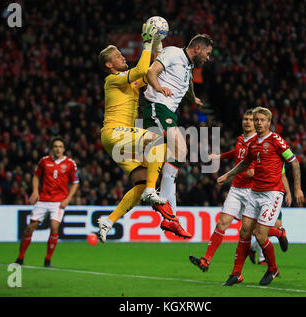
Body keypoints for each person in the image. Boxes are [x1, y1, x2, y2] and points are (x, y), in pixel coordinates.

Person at [97, 22, 191, 242]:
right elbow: (141, 70)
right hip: (114, 132)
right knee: (159, 138)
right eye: (118, 56)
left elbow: (149, 73)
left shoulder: (128, 82)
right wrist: (146, 43)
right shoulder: (112, 80)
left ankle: (109, 220)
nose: (122, 57)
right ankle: (152, 189)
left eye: (121, 54)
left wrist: (158, 45)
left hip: (118, 140)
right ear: (110, 65)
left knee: (139, 183)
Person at [189, 110, 289, 272]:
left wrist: (255, 172)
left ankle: (278, 233)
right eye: (246, 119)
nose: (248, 122)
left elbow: (271, 166)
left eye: (251, 119)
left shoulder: (262, 142)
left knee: (257, 230)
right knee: (222, 223)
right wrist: (220, 157)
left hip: (253, 191)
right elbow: (238, 154)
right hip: (236, 189)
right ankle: (205, 260)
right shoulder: (241, 139)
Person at [217, 106, 304, 286]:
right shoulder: (253, 143)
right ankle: (236, 274)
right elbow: (244, 163)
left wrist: (297, 189)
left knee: (260, 235)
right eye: (256, 120)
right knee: (244, 231)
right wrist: (228, 175)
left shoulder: (276, 140)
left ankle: (273, 269)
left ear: (269, 122)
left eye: (262, 120)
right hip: (255, 193)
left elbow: (294, 162)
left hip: (272, 194)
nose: (258, 123)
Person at [141, 34, 213, 217]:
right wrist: (158, 88)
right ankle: (164, 201)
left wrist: (193, 98)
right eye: (208, 53)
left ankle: (167, 203)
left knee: (175, 154)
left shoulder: (188, 66)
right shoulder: (172, 52)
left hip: (169, 112)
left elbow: (187, 84)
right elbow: (151, 71)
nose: (208, 58)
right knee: (180, 148)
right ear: (198, 48)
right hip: (157, 105)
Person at [15, 136, 79, 267]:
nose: (58, 149)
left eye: (60, 146)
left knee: (54, 227)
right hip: (43, 200)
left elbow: (75, 182)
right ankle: (20, 257)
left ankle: (48, 259)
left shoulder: (70, 164)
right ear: (51, 148)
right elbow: (36, 176)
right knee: (29, 228)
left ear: (64, 149)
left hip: (59, 201)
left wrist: (67, 199)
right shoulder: (44, 161)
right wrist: (35, 191)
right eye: (55, 146)